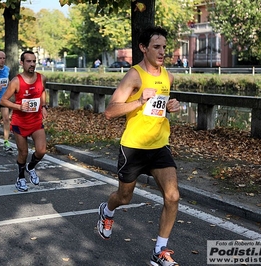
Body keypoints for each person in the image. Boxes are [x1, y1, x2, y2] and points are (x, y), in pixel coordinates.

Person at [97, 26, 181, 266]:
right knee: (124, 197)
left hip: (159, 145)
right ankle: (107, 210)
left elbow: (157, 109)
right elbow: (110, 111)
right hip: (133, 147)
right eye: (156, 47)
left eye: (164, 47)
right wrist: (139, 100)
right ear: (143, 48)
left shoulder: (168, 76)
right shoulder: (134, 76)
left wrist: (170, 107)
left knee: (173, 197)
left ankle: (159, 251)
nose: (162, 51)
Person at [0, 51, 48, 192]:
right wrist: (19, 107)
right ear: (22, 63)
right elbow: (3, 100)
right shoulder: (16, 81)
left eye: (34, 61)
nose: (32, 64)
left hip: (36, 120)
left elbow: (43, 91)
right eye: (28, 61)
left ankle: (31, 167)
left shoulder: (41, 78)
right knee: (23, 153)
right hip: (20, 122)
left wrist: (44, 106)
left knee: (41, 150)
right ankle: (20, 178)